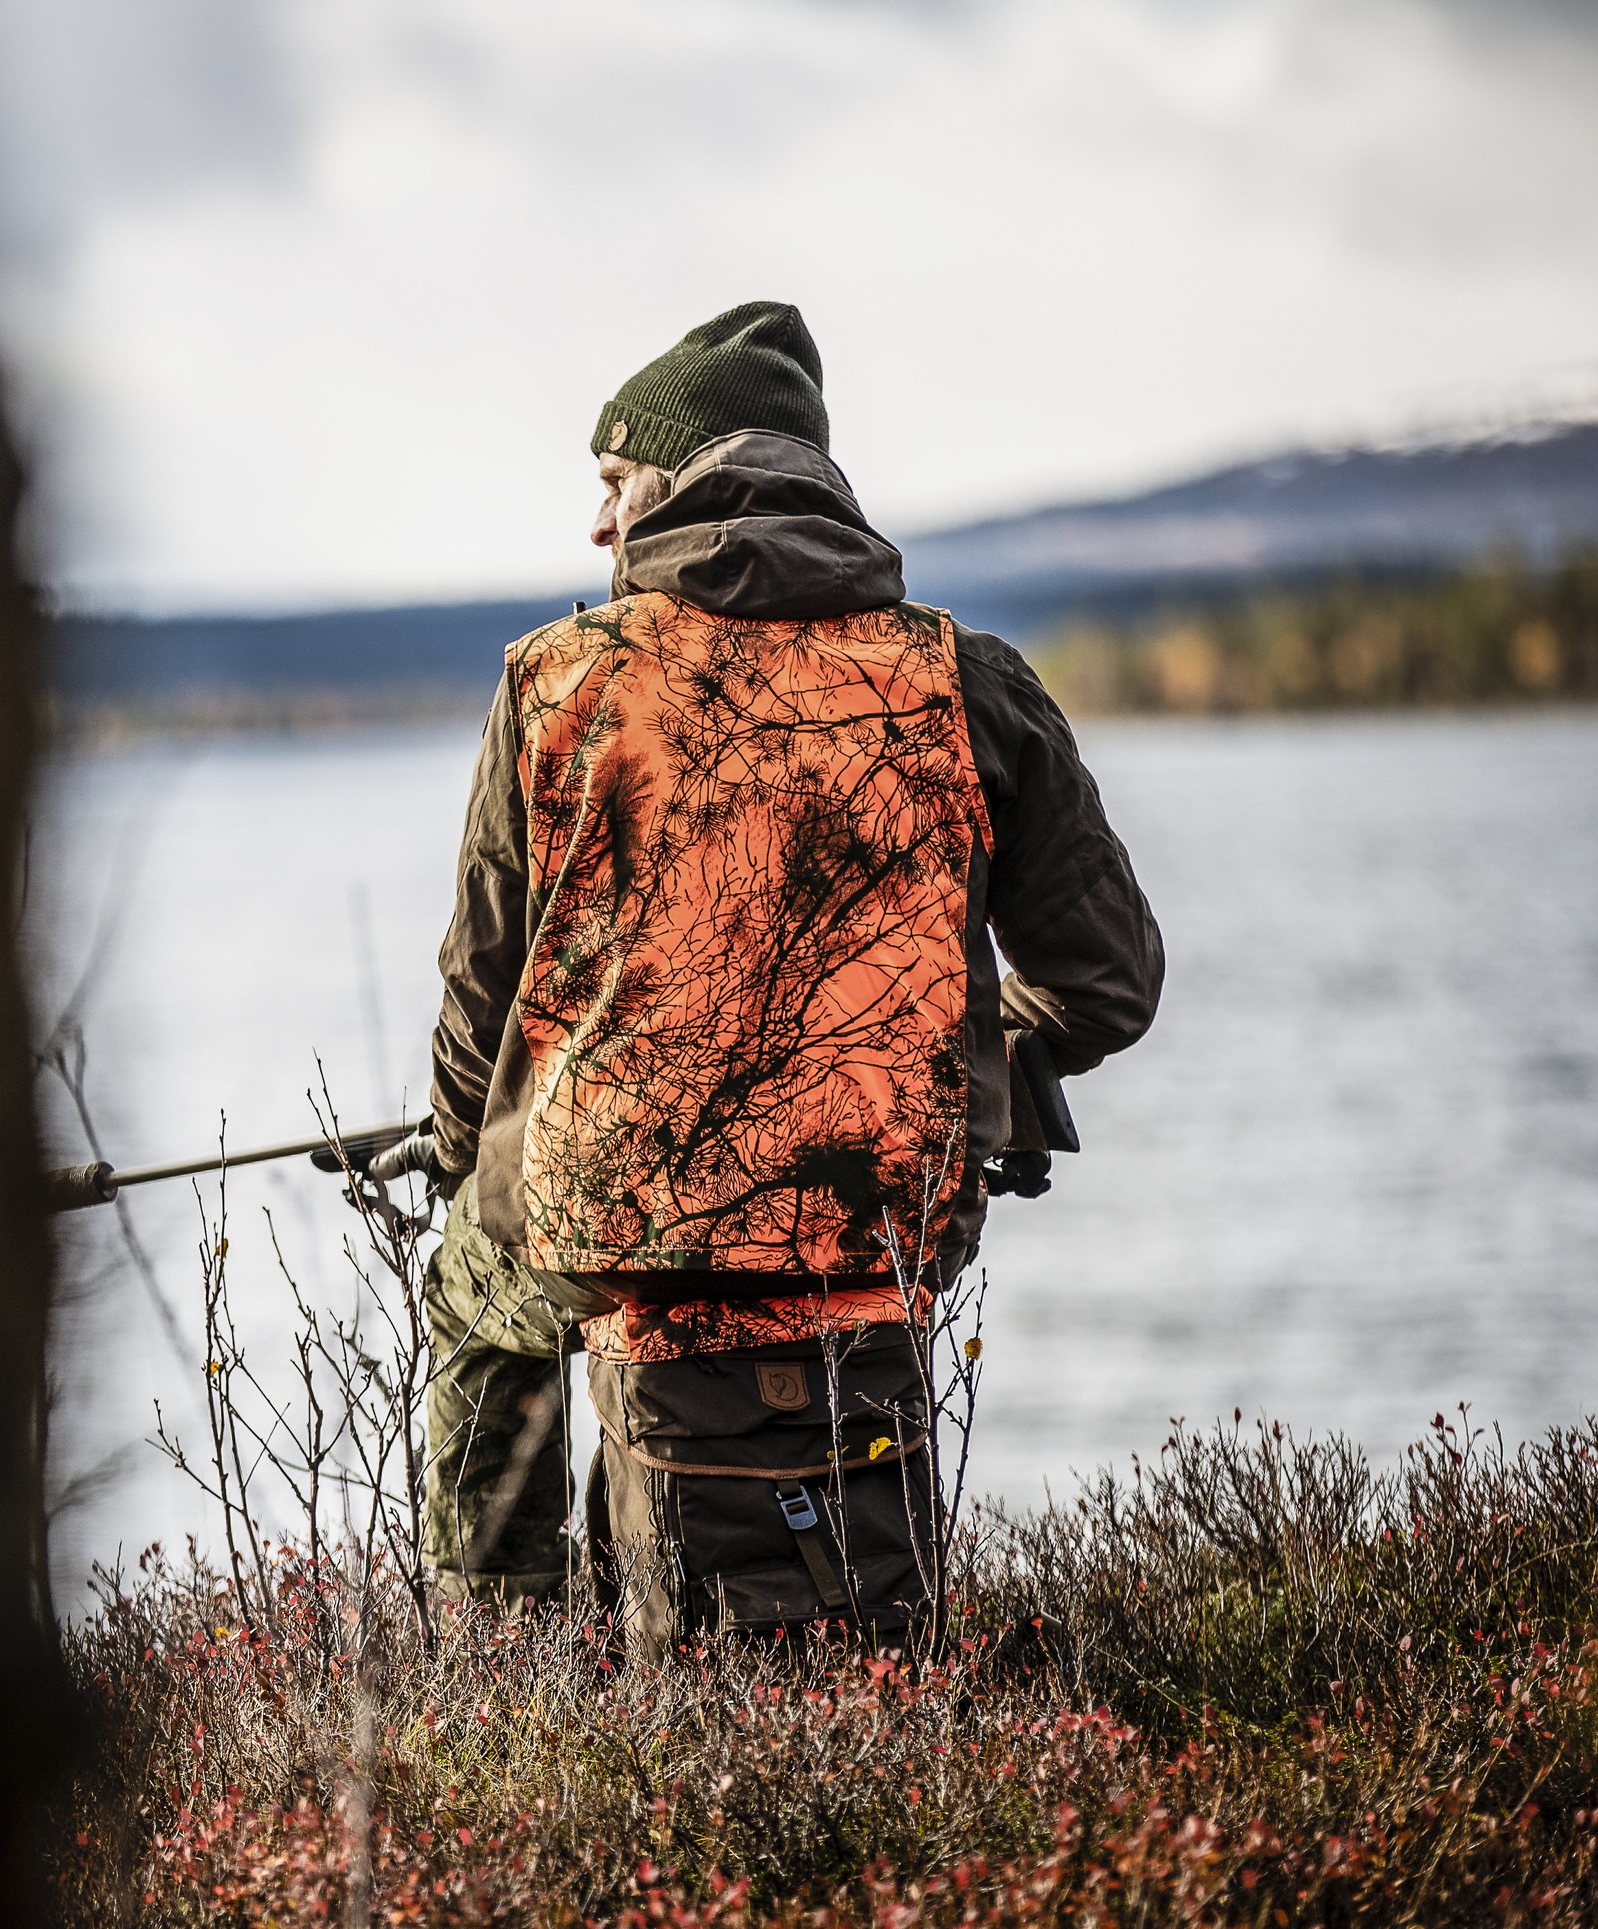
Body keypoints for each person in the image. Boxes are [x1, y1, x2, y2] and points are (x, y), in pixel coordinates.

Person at [396, 303, 1163, 1651]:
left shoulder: (559, 683)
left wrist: (463, 1148)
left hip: (623, 1237)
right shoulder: (967, 683)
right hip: (875, 1229)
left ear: (679, 483)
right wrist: (972, 1059)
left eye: (614, 482)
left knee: (473, 1276)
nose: (596, 523)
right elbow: (1108, 987)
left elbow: (481, 1012)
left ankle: (498, 1655)